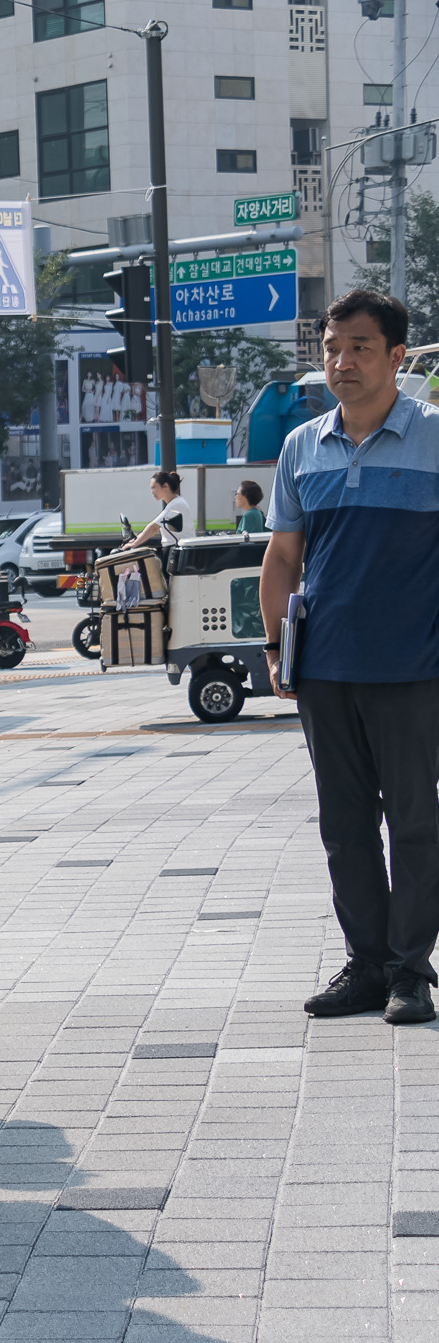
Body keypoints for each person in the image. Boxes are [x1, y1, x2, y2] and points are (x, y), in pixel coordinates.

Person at [262, 288, 439, 1027]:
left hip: (414, 668)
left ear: (398, 356)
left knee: (415, 822)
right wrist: (275, 647)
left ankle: (409, 974)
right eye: (332, 348)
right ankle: (366, 965)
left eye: (360, 347)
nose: (342, 362)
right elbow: (281, 557)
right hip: (326, 670)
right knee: (343, 825)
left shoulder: (434, 435)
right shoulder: (303, 445)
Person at [121, 469, 191, 552]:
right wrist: (136, 539)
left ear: (165, 486)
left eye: (154, 487)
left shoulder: (176, 504)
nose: (152, 492)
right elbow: (156, 526)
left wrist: (134, 544)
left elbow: (154, 527)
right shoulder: (176, 503)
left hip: (177, 551)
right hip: (174, 550)